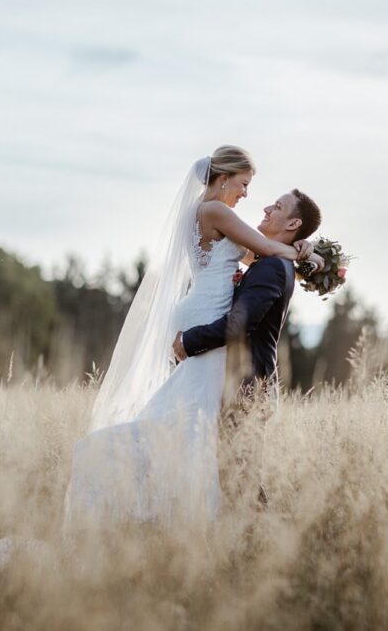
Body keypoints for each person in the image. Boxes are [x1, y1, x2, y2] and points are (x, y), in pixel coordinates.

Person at [63, 146, 321, 529]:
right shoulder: (215, 210)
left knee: (192, 415)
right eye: (244, 183)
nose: (248, 195)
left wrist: (299, 252)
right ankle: (198, 512)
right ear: (224, 177)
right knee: (196, 418)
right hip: (206, 312)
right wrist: (304, 254)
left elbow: (256, 258)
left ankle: (194, 507)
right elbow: (265, 250)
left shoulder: (209, 214)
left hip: (203, 307)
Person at [173, 189, 323, 509]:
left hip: (249, 387)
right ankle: (252, 545)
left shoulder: (271, 268)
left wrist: (189, 341)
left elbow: (239, 323)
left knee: (238, 481)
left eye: (278, 207)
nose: (268, 207)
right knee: (238, 477)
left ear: (293, 222)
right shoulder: (272, 261)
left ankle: (258, 546)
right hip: (247, 384)